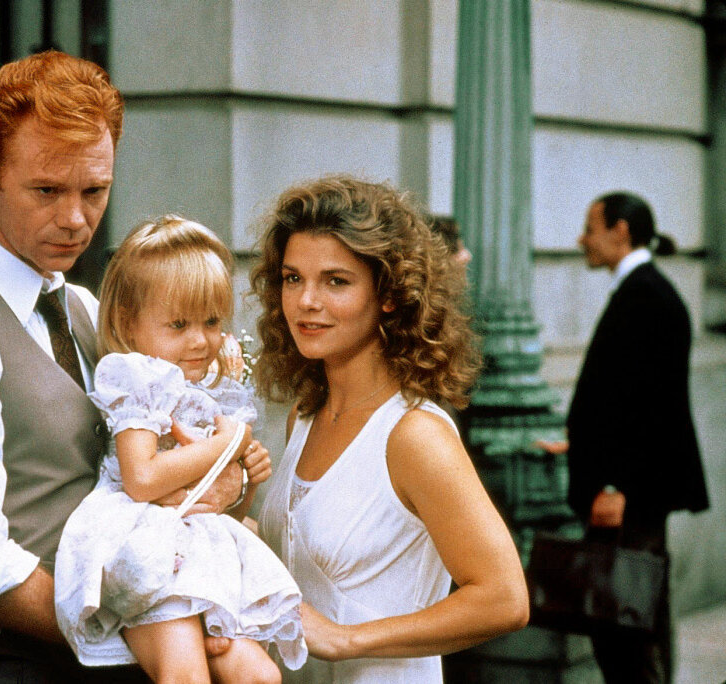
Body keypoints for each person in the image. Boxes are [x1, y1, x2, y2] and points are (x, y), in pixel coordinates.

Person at [0, 51, 245, 682]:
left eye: (95, 190)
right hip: (23, 667)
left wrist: (222, 484)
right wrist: (152, 635)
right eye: (48, 190)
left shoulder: (85, 306)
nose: (76, 219)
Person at [251, 175, 529, 683]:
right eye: (293, 278)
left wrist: (347, 639)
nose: (306, 300)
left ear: (388, 295)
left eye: (336, 281)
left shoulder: (414, 435)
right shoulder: (304, 417)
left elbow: (504, 598)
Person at [54, 215, 306, 683]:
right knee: (185, 675)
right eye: (178, 324)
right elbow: (142, 478)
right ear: (128, 324)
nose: (200, 340)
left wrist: (243, 480)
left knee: (261, 676)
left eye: (211, 322)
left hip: (201, 549)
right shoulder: (138, 378)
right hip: (146, 550)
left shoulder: (206, 388)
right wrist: (227, 443)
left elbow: (221, 509)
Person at [538, 192, 708, 683]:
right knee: (630, 623)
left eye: (590, 228)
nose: (581, 239)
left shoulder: (647, 296)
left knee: (626, 632)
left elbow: (651, 410)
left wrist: (616, 485)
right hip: (628, 489)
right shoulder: (642, 291)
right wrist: (584, 443)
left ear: (621, 231)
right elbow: (624, 399)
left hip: (628, 495)